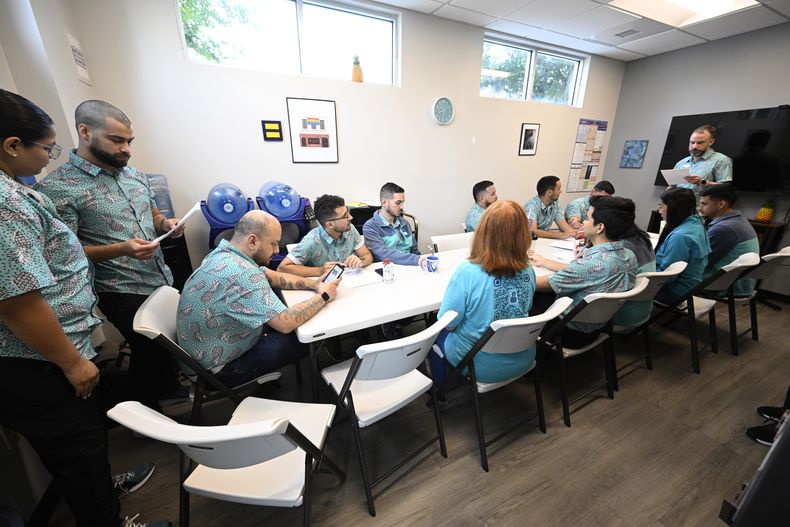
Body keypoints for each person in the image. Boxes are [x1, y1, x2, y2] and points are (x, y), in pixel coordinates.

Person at [0, 90, 167, 527]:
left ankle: (102, 490)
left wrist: (162, 224)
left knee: (85, 443)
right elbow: (18, 301)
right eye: (45, 147)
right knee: (79, 446)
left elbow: (53, 257)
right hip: (39, 357)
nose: (47, 156)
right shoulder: (15, 201)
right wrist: (72, 362)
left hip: (65, 340)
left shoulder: (18, 192)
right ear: (12, 145)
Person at [35, 100, 184, 410]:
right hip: (117, 286)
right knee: (148, 349)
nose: (126, 149)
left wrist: (165, 224)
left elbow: (152, 211)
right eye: (117, 140)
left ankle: (169, 393)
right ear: (85, 132)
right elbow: (66, 253)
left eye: (129, 141)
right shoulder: (59, 188)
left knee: (167, 345)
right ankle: (142, 414)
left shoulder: (133, 175)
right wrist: (121, 249)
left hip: (158, 274)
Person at [177, 211, 339, 385]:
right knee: (307, 337)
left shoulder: (224, 253)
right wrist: (324, 295)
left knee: (283, 304)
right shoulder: (242, 274)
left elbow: (271, 276)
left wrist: (314, 284)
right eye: (274, 244)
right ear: (253, 241)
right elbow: (285, 323)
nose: (277, 250)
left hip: (206, 353)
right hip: (218, 371)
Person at [430, 200, 537, 387]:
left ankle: (439, 392)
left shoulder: (468, 272)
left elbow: (447, 322)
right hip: (524, 357)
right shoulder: (528, 271)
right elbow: (524, 309)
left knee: (433, 329)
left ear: (483, 232)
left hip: (480, 365)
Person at [533, 196, 638, 348]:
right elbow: (582, 273)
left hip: (566, 332)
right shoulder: (628, 256)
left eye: (587, 219)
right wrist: (545, 262)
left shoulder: (589, 265)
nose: (583, 222)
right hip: (597, 327)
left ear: (599, 227)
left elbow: (540, 284)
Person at [278, 194, 374, 277]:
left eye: (348, 212)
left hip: (350, 283)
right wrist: (319, 271)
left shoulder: (350, 229)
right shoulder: (311, 241)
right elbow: (282, 268)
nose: (350, 217)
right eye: (345, 216)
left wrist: (361, 261)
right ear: (330, 224)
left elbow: (367, 255)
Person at [699, 183, 759, 296]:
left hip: (724, 285)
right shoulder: (738, 221)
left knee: (670, 275)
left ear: (721, 204)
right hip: (739, 284)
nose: (699, 208)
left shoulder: (724, 229)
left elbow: (701, 261)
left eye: (704, 204)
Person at [654, 188, 711, 304]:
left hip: (674, 291)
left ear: (673, 207)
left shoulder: (680, 236)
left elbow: (665, 277)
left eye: (661, 206)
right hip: (689, 288)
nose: (659, 210)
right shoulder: (696, 224)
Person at [612, 200, 656, 327]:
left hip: (618, 315)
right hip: (641, 311)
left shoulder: (621, 250)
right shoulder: (642, 238)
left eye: (588, 218)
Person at [363, 182, 425, 265]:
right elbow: (383, 255)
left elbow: (414, 251)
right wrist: (416, 260)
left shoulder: (404, 223)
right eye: (398, 203)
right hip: (388, 270)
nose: (402, 207)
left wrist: (422, 263)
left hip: (411, 267)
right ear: (384, 202)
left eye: (403, 202)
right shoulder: (370, 227)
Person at [674, 124, 732, 202]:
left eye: (699, 143)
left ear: (711, 142)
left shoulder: (721, 160)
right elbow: (672, 186)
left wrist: (702, 182)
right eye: (692, 142)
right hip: (676, 208)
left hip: (700, 211)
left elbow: (726, 188)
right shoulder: (681, 163)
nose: (694, 146)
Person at [524, 175, 575, 239]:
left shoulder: (555, 204)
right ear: (550, 192)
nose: (561, 191)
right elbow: (531, 231)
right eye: (558, 189)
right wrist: (560, 235)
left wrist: (576, 233)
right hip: (530, 242)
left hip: (543, 242)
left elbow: (564, 226)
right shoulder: (531, 207)